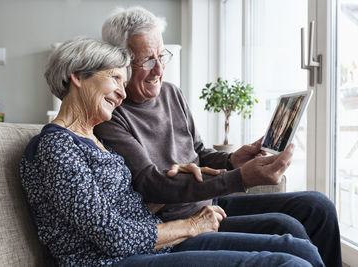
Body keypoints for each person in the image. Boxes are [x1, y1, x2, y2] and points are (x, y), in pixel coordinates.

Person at [19, 37, 323, 267]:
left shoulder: (91, 139)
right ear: (77, 76)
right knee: (287, 264)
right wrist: (191, 225)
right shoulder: (56, 146)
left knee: (298, 249)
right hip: (109, 262)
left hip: (153, 245)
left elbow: (123, 209)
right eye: (115, 78)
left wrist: (170, 182)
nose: (123, 93)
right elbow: (111, 235)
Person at [94, 6, 342, 267]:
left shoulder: (171, 93)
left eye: (162, 56)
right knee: (289, 235)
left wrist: (233, 159)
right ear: (119, 62)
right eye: (147, 60)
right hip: (178, 223)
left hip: (212, 202)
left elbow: (199, 153)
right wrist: (240, 177)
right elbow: (152, 183)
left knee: (318, 206)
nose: (159, 69)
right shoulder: (111, 116)